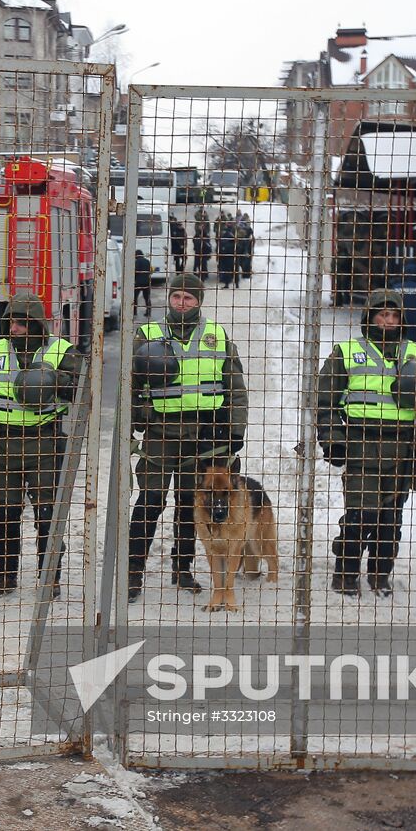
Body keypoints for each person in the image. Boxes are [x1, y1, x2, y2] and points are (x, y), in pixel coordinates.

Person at [128, 273, 248, 602]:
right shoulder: (147, 334)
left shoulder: (217, 336)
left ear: (199, 301)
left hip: (204, 436)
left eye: (189, 298)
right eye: (177, 296)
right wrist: (132, 420)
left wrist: (235, 430)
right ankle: (132, 573)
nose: (182, 303)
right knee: (149, 502)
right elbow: (131, 383)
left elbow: (236, 388)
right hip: (159, 433)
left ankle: (182, 570)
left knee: (189, 505)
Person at [316, 289, 416, 598]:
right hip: (361, 446)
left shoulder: (415, 353)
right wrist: (332, 439)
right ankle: (345, 574)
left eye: (394, 315)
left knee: (391, 518)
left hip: (403, 448)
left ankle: (379, 575)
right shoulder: (346, 352)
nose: (388, 321)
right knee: (362, 514)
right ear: (369, 317)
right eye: (382, 314)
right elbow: (325, 403)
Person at [0, 292, 82, 599]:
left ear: (35, 324)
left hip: (45, 443)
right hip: (3, 444)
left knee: (47, 514)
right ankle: (4, 576)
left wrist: (56, 381)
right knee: (5, 513)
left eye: (20, 323)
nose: (14, 329)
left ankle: (50, 579)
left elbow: (81, 388)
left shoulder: (60, 351)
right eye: (11, 322)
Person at [215, 211, 238, 288]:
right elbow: (220, 241)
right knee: (227, 269)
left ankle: (236, 283)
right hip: (225, 254)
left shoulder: (234, 232)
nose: (228, 225)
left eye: (229, 223)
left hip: (231, 253)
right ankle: (227, 283)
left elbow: (236, 242)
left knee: (233, 269)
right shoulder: (223, 232)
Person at [234, 211, 255, 284]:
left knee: (242, 261)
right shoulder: (243, 228)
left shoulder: (244, 228)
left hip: (244, 246)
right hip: (243, 245)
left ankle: (245, 274)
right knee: (243, 261)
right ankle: (245, 274)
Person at [193, 207, 213, 281]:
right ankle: (196, 273)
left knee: (203, 264)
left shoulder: (206, 236)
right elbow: (196, 217)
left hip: (203, 252)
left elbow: (207, 223)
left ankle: (204, 274)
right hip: (198, 251)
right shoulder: (197, 235)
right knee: (197, 263)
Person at [133, 250, 153, 316]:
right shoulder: (147, 261)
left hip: (138, 282)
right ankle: (148, 312)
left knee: (135, 297)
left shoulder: (137, 262)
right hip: (147, 282)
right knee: (147, 298)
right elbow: (151, 271)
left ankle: (134, 311)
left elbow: (136, 271)